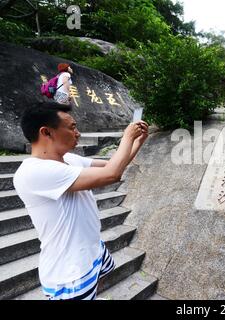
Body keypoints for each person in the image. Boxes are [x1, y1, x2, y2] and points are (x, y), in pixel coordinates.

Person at [13, 101, 149, 300]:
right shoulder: (33, 172)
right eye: (72, 127)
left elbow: (113, 165)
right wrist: (127, 136)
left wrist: (137, 141)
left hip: (92, 249)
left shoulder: (69, 160)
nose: (78, 133)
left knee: (98, 282)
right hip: (69, 272)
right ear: (46, 132)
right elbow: (112, 174)